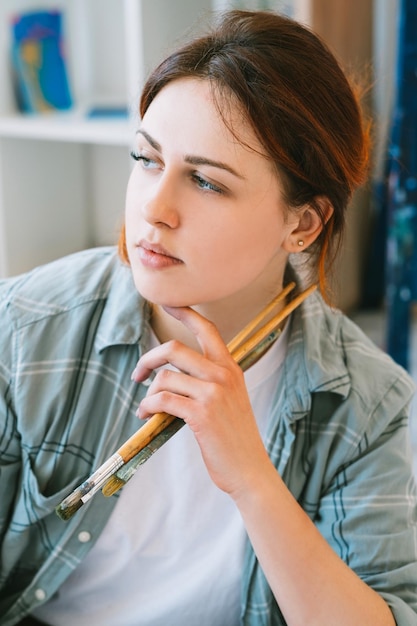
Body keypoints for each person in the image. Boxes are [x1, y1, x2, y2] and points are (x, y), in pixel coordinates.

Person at [0, 9, 416, 626]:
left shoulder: (370, 406)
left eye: (206, 182)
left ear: (302, 224)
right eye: (146, 159)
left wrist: (251, 476)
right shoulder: (26, 328)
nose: (155, 208)